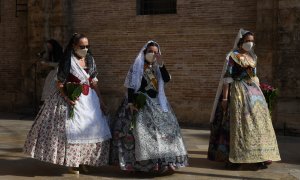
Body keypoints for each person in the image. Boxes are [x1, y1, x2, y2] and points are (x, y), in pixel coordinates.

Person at [24, 33, 111, 174]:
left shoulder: (90, 59)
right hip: (73, 99)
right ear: (74, 46)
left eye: (87, 46)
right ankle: (73, 163)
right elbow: (59, 83)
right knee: (74, 130)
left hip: (90, 100)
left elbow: (94, 82)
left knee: (90, 130)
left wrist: (101, 101)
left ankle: (85, 161)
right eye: (82, 46)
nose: (85, 49)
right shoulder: (68, 61)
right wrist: (67, 98)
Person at [110, 40, 188, 174]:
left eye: (156, 52)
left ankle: (164, 163)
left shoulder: (158, 68)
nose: (153, 54)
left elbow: (167, 79)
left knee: (166, 132)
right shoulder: (137, 67)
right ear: (144, 52)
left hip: (158, 103)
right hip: (139, 103)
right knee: (141, 133)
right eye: (150, 51)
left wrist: (162, 64)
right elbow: (130, 86)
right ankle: (140, 165)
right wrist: (130, 103)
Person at [207, 28, 281, 170]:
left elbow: (254, 77)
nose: (250, 44)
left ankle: (260, 156)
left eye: (252, 41)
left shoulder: (252, 57)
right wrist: (224, 98)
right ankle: (234, 158)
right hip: (238, 92)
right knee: (238, 125)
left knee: (258, 125)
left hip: (254, 94)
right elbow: (227, 78)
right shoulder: (232, 56)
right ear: (241, 42)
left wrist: (261, 95)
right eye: (247, 41)